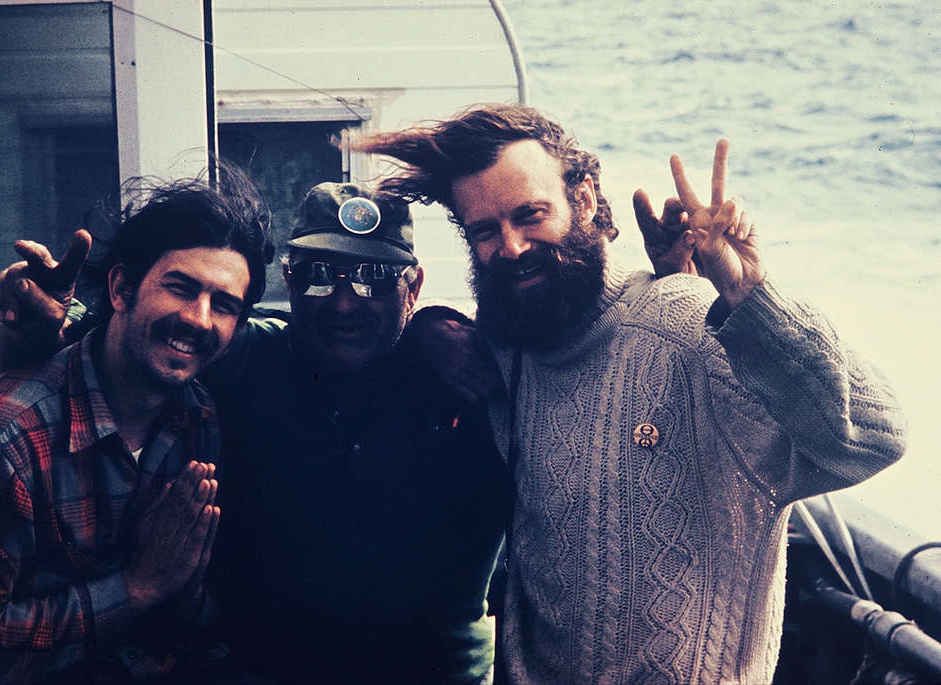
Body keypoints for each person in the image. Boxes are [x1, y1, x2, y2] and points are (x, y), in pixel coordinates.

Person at [355, 104, 908, 684]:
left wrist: (749, 296)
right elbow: (459, 331)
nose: (512, 247)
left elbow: (872, 438)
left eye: (531, 215)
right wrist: (428, 327)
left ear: (586, 200)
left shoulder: (688, 327)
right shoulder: (511, 343)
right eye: (486, 230)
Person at [0, 182, 511, 684]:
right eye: (320, 275)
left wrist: (439, 324)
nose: (345, 302)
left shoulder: (466, 375)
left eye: (374, 277)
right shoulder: (239, 355)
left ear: (414, 286)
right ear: (288, 278)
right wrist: (27, 328)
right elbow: (89, 339)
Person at [0, 170, 272, 684]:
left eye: (224, 304)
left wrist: (184, 589)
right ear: (122, 287)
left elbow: (190, 629)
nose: (199, 318)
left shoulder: (199, 421)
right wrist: (135, 587)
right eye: (181, 288)